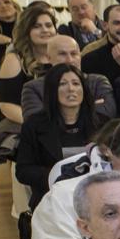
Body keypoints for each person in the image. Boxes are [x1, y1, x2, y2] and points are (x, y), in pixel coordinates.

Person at [15, 64, 101, 209]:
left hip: (94, 201)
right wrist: (60, 176)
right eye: (62, 84)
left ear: (84, 89)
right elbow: (23, 171)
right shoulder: (34, 125)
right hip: (51, 200)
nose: (71, 89)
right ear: (52, 90)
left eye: (76, 83)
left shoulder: (101, 123)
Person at [21, 34, 116, 123]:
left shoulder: (98, 82)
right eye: (62, 54)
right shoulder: (33, 88)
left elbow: (107, 114)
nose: (70, 60)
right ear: (48, 58)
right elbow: (34, 122)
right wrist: (89, 107)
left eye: (74, 54)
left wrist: (56, 111)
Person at [0, 3, 57, 127]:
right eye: (37, 26)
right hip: (22, 122)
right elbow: (7, 105)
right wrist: (40, 124)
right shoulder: (14, 59)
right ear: (26, 30)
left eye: (49, 25)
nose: (45, 30)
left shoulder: (60, 55)